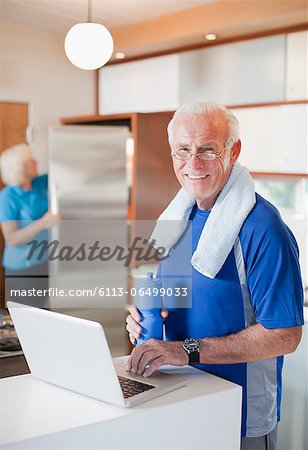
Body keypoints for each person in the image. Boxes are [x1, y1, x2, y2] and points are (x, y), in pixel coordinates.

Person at [125, 102, 304, 450]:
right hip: (179, 402)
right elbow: (178, 301)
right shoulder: (179, 218)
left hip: (240, 416)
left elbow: (285, 335)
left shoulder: (263, 230)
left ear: (233, 151)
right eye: (184, 150)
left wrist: (185, 350)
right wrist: (142, 321)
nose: (194, 164)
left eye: (208, 149)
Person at [0, 143, 60, 308]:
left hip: (45, 261)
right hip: (22, 269)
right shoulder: (8, 197)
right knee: (26, 317)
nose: (36, 163)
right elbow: (12, 238)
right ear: (19, 168)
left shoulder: (40, 183)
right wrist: (43, 223)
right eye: (30, 161)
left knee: (45, 313)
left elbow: (64, 175)